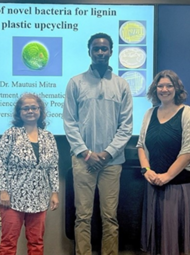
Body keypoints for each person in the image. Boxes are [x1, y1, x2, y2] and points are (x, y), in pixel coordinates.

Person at [63, 32, 133, 255]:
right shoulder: (75, 82)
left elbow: (126, 126)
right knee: (82, 216)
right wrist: (86, 153)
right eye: (96, 49)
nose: (100, 53)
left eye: (104, 49)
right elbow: (69, 122)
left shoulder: (122, 85)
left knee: (110, 217)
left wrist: (107, 154)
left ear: (111, 51)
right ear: (89, 52)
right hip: (83, 161)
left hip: (111, 163)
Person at [137, 70, 190, 255]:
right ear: (155, 89)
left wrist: (167, 176)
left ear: (176, 89)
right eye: (160, 86)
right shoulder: (149, 113)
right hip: (154, 184)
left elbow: (188, 152)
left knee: (173, 241)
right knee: (156, 242)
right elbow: (141, 145)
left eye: (169, 85)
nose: (164, 89)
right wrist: (146, 170)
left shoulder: (188, 113)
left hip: (178, 185)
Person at [0, 93, 59, 255]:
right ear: (19, 112)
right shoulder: (11, 134)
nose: (30, 111)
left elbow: (53, 167)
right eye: (26, 108)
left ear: (40, 111)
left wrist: (54, 192)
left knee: (36, 242)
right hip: (12, 197)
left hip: (39, 197)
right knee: (8, 242)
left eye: (34, 108)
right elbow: (1, 162)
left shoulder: (49, 137)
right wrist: (3, 191)